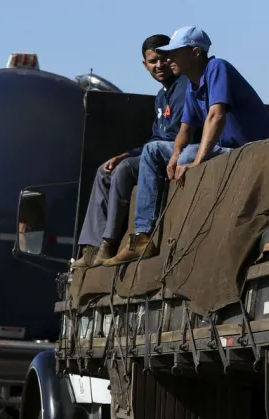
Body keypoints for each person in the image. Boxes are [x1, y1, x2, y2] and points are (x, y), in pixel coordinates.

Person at [104, 26, 269, 266]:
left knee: (189, 155)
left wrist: (195, 161)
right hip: (224, 149)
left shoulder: (217, 68)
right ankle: (143, 236)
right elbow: (185, 130)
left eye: (174, 52)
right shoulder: (192, 85)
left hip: (249, 149)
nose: (168, 58)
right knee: (154, 150)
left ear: (195, 52)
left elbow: (216, 116)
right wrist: (174, 156)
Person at [73, 34, 190, 268]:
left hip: (178, 151)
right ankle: (90, 246)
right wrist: (125, 154)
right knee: (105, 170)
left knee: (124, 170)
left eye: (163, 59)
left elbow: (178, 134)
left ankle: (110, 241)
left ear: (172, 58)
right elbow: (156, 137)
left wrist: (129, 160)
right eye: (152, 61)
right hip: (155, 150)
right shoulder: (161, 97)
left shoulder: (185, 87)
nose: (159, 65)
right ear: (144, 64)